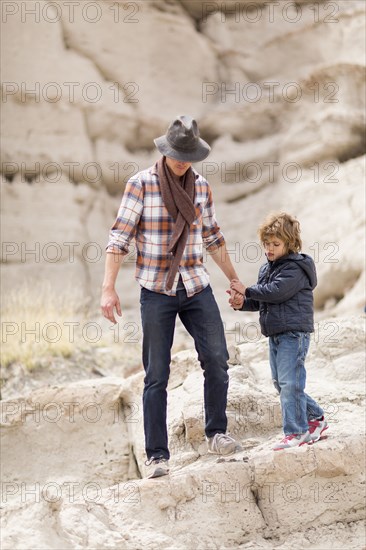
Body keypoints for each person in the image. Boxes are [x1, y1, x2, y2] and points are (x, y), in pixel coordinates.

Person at [101, 115, 241, 478]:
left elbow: (212, 237)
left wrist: (234, 279)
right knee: (156, 374)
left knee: (217, 359)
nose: (182, 160)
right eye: (177, 153)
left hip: (196, 286)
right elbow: (119, 239)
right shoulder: (141, 185)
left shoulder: (202, 188)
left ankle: (216, 432)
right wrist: (108, 288)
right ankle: (158, 456)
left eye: (188, 154)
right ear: (165, 150)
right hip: (156, 290)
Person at [229, 212, 328, 450]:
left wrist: (248, 290)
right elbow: (266, 300)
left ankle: (296, 432)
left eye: (276, 244)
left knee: (290, 383)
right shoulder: (268, 268)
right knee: (282, 383)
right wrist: (243, 303)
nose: (270, 248)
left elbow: (277, 292)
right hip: (276, 333)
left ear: (290, 244)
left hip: (293, 333)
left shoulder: (295, 268)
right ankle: (316, 418)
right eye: (266, 243)